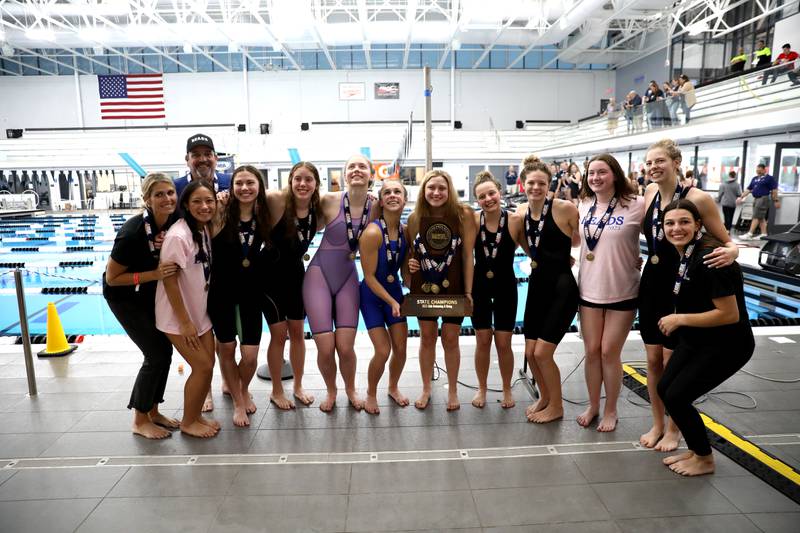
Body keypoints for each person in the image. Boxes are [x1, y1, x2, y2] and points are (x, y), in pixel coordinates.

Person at [638, 139, 738, 451]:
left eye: (660, 161)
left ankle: (673, 429)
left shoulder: (698, 198)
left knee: (671, 361)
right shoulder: (650, 192)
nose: (654, 167)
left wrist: (733, 250)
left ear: (676, 162)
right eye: (650, 162)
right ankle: (657, 423)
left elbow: (724, 239)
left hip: (680, 285)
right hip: (652, 282)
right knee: (653, 360)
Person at [657, 199, 754, 476]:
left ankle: (705, 458)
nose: (677, 228)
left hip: (727, 344)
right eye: (670, 223)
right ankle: (695, 449)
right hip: (699, 339)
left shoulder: (711, 259)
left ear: (698, 225)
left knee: (677, 396)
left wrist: (679, 319)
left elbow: (729, 314)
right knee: (666, 389)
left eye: (684, 222)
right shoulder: (686, 253)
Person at [104, 173, 180, 439]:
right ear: (147, 199)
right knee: (156, 353)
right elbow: (112, 278)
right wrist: (154, 275)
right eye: (159, 194)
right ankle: (139, 419)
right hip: (124, 298)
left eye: (170, 192)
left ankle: (153, 411)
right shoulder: (132, 232)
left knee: (164, 352)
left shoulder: (172, 220)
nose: (167, 198)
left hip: (147, 295)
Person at [303, 154, 377, 412]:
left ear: (371, 175)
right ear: (343, 175)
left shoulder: (377, 207)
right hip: (318, 277)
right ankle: (332, 391)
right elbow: (297, 214)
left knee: (346, 347)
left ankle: (351, 390)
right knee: (325, 347)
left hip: (348, 277)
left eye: (362, 167)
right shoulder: (328, 201)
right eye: (351, 167)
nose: (357, 170)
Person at [576, 154, 645, 432]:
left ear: (614, 174)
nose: (595, 178)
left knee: (608, 352)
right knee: (591, 351)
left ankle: (611, 409)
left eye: (602, 172)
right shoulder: (582, 204)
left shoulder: (636, 205)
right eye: (591, 173)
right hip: (589, 288)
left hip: (623, 289)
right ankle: (593, 404)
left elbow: (662, 232)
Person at [512, 157, 579, 423]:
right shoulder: (519, 213)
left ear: (549, 184)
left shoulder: (565, 208)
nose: (536, 187)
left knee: (542, 353)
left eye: (541, 183)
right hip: (538, 285)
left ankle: (557, 406)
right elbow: (527, 247)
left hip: (562, 287)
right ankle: (545, 397)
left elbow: (585, 241)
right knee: (530, 352)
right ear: (523, 184)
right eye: (531, 183)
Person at [406, 169, 477, 410]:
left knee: (450, 338)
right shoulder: (415, 218)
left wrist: (468, 292)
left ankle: (453, 390)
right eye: (431, 188)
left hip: (454, 286)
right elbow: (411, 256)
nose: (436, 193)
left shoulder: (463, 215)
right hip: (425, 287)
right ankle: (426, 388)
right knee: (427, 338)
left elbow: (468, 255)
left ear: (450, 191)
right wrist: (411, 265)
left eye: (442, 188)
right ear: (423, 191)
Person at [156, 180, 221, 438]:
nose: (205, 206)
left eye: (209, 201)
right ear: (185, 205)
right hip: (177, 316)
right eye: (197, 201)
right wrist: (184, 322)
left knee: (209, 363)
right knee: (202, 366)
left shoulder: (202, 229)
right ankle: (188, 421)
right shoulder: (177, 236)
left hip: (199, 312)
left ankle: (195, 416)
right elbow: (169, 279)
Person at [207, 166, 272, 427]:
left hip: (251, 294)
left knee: (250, 356)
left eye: (250, 183)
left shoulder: (265, 215)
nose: (245, 188)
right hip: (221, 293)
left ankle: (244, 388)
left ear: (259, 186)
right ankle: (237, 400)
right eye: (239, 183)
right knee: (227, 348)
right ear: (231, 188)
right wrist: (219, 202)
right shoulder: (221, 214)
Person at [261, 162, 323, 409]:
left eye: (308, 179)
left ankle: (297, 386)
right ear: (290, 181)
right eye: (298, 179)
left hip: (297, 277)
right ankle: (277, 390)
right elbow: (247, 189)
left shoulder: (316, 212)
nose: (303, 184)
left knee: (298, 333)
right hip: (270, 277)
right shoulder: (277, 202)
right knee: (279, 335)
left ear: (316, 184)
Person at [359, 178, 410, 415]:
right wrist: (392, 302)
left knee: (401, 348)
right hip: (372, 297)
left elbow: (405, 274)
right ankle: (370, 392)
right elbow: (369, 276)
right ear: (381, 200)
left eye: (397, 192)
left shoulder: (405, 232)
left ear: (404, 199)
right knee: (383, 350)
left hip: (395, 294)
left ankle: (393, 387)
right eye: (387, 192)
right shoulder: (372, 232)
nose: (392, 195)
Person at [470, 171, 517, 409]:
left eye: (491, 193)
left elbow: (533, 248)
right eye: (482, 196)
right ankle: (482, 388)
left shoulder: (514, 220)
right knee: (482, 340)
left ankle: (507, 388)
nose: (488, 199)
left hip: (506, 286)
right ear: (476, 200)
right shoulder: (473, 220)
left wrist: (564, 259)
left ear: (500, 192)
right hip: (479, 286)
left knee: (503, 342)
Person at [173, 134, 231, 198]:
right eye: (196, 155)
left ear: (215, 158)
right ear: (187, 160)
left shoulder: (231, 183)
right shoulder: (175, 188)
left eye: (207, 154)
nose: (202, 160)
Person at [737, 163, 781, 239]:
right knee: (761, 217)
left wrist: (776, 200)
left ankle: (750, 234)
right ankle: (764, 234)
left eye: (760, 171)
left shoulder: (769, 178)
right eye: (757, 170)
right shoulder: (755, 178)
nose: (758, 172)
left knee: (756, 216)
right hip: (756, 198)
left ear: (764, 170)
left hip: (763, 198)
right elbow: (749, 189)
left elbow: (774, 190)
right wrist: (741, 197)